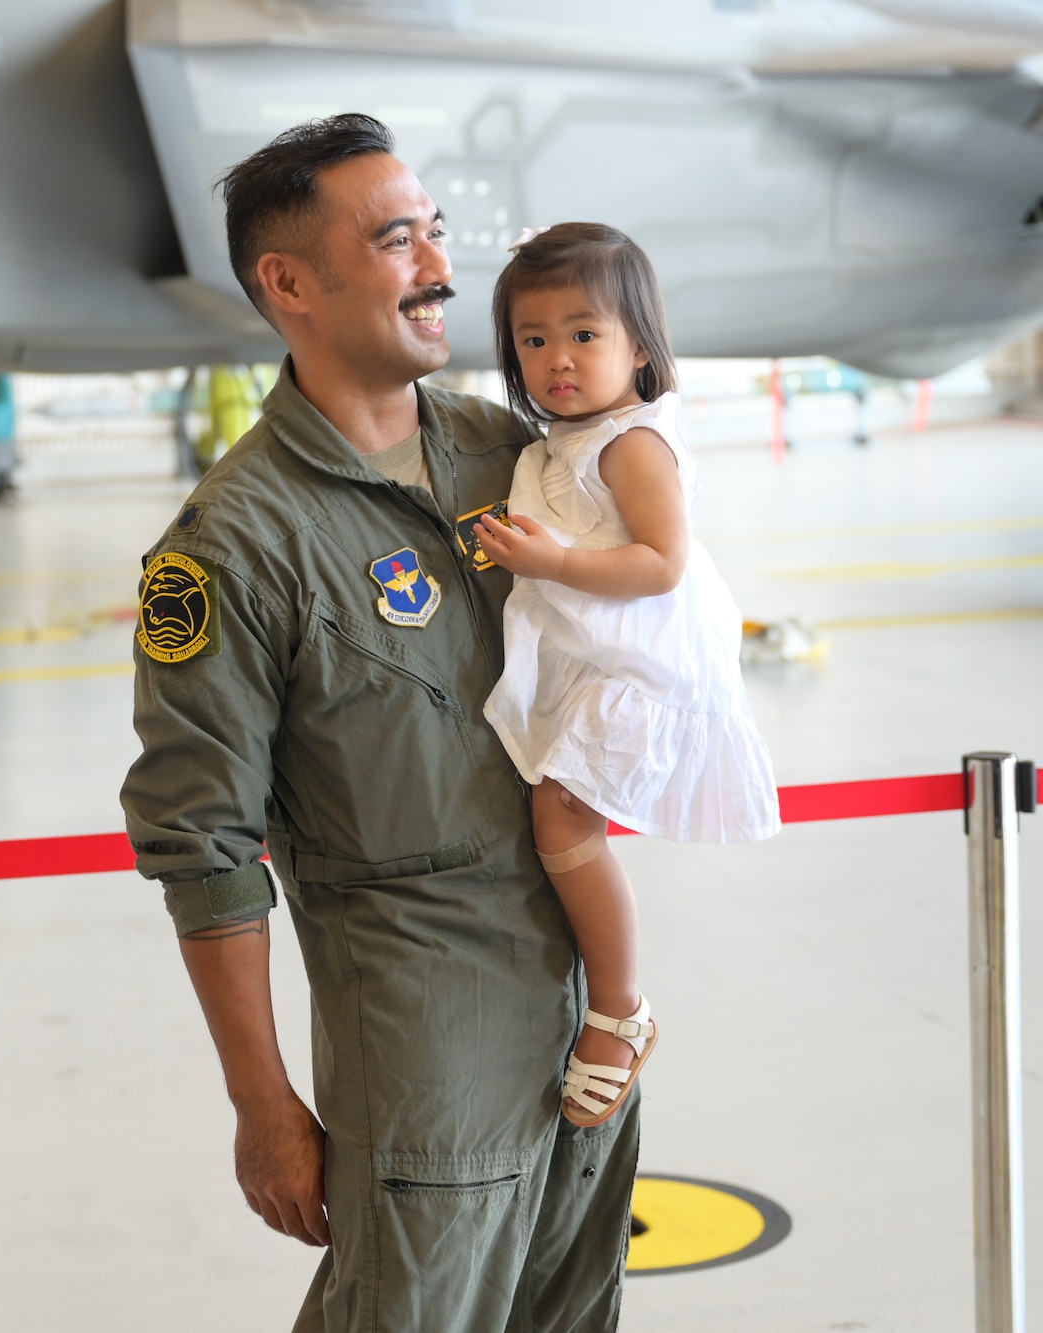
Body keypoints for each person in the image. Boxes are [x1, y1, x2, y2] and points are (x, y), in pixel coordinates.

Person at [120, 115, 640, 1331]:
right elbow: (200, 848)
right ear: (288, 283)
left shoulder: (511, 458)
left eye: (436, 232)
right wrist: (263, 1106)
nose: (439, 268)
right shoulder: (228, 546)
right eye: (397, 238)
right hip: (426, 1068)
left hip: (586, 1037)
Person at [472, 222, 779, 1127]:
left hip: (640, 668)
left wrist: (558, 559)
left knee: (563, 819)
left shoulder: (633, 443)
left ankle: (620, 1008)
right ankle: (610, 996)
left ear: (639, 345)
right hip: (591, 656)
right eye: (533, 340)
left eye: (583, 334)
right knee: (554, 818)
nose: (556, 359)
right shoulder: (565, 441)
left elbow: (661, 562)